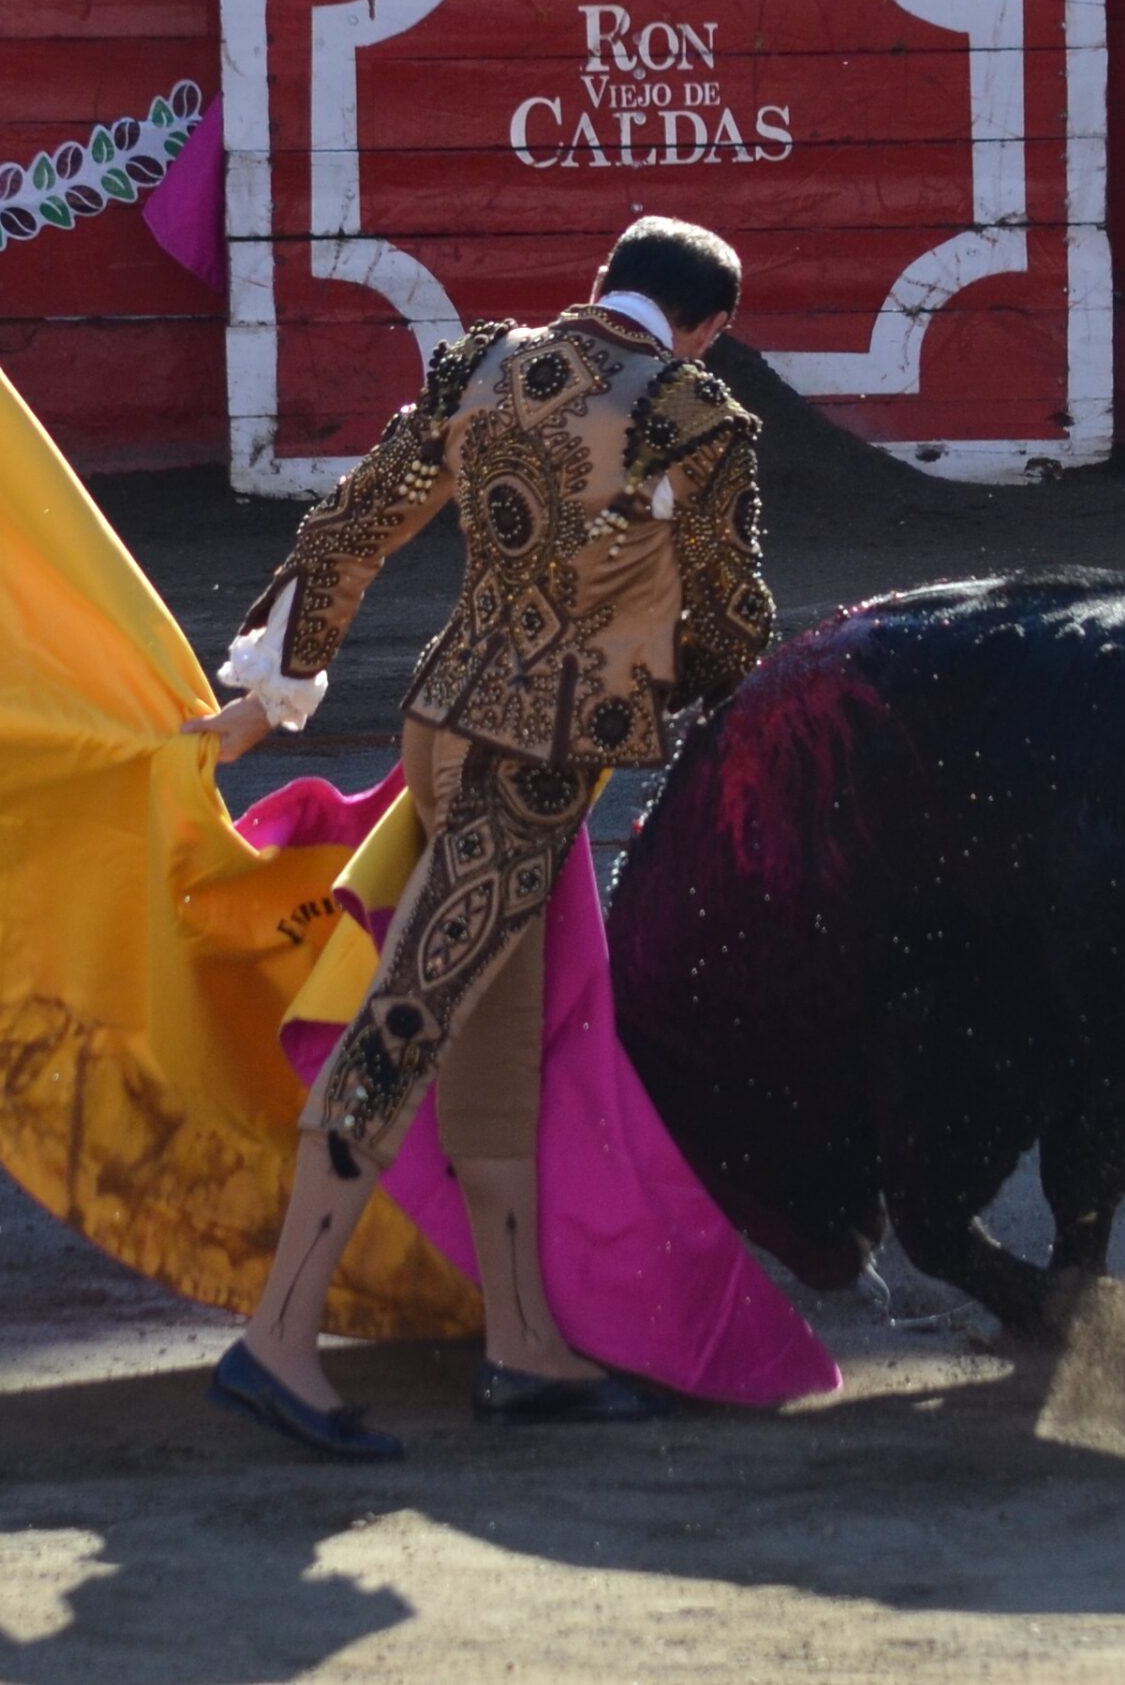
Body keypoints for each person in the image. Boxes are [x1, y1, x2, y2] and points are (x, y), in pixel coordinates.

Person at [186, 217, 775, 1455]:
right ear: (709, 322)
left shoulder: (485, 367)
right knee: (409, 1017)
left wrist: (271, 697)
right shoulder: (690, 415)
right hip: (533, 767)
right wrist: (707, 687)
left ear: (603, 284)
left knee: (490, 1052)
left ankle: (521, 1345)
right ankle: (277, 1343)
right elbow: (728, 626)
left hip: (446, 722)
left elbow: (353, 525)